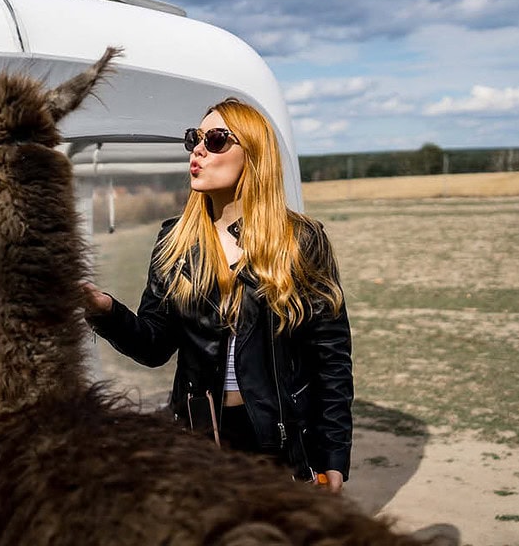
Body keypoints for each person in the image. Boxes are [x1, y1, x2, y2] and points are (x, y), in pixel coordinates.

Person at [82, 97, 353, 493]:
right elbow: (154, 346)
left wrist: (333, 455)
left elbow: (331, 359)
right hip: (199, 440)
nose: (198, 150)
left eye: (216, 140)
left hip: (280, 443)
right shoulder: (174, 241)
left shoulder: (300, 241)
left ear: (253, 154)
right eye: (194, 138)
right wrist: (105, 311)